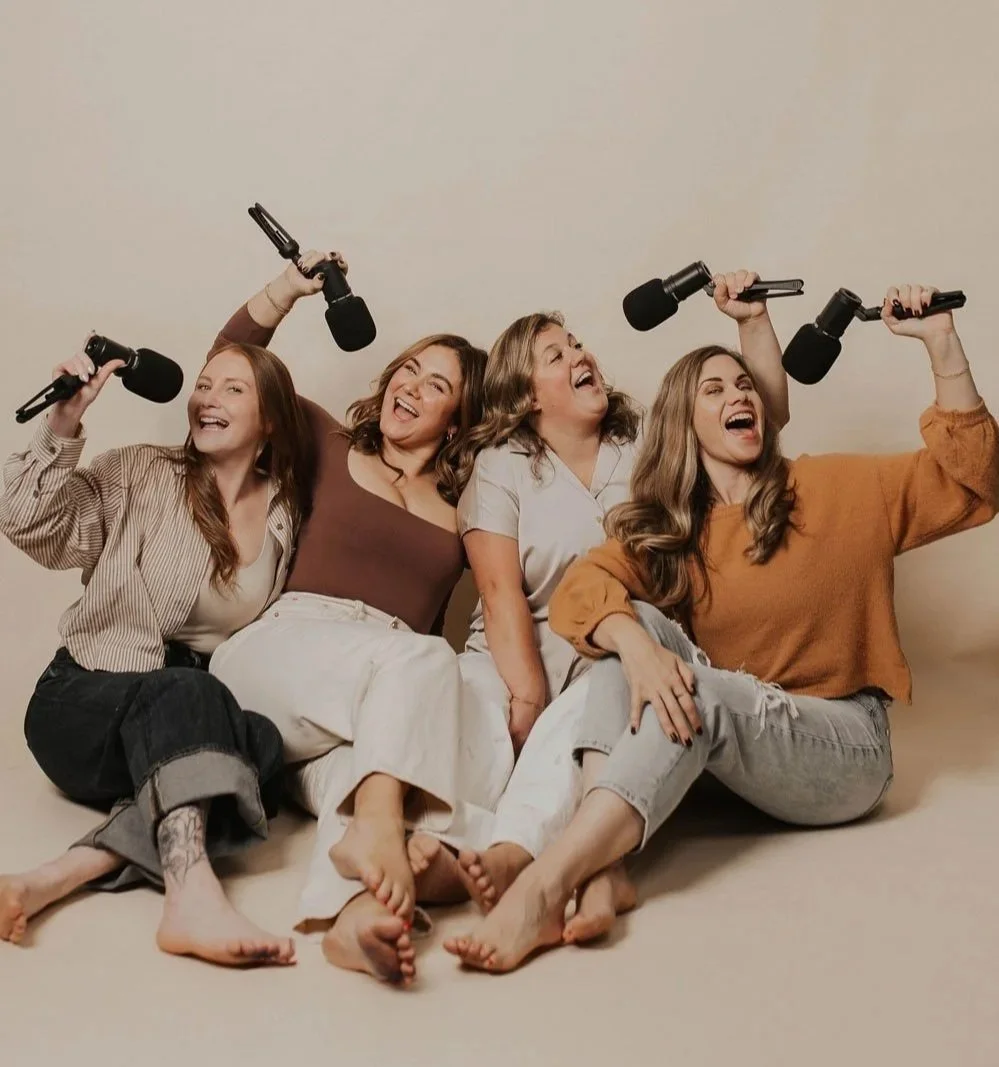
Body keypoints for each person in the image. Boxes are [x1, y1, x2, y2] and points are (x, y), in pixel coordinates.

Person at [444, 283, 999, 972]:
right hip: (736, 745)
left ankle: (545, 883)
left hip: (843, 746)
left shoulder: (839, 488)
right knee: (634, 624)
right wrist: (635, 645)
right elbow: (583, 593)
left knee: (690, 685)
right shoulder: (674, 533)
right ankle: (603, 869)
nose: (738, 394)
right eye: (713, 389)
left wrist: (941, 345)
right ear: (683, 424)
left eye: (743, 385)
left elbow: (972, 483)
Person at [410, 271, 790, 934]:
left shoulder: (643, 446)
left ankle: (510, 859)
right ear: (525, 397)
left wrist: (750, 322)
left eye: (578, 346)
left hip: (612, 649)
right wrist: (524, 692)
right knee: (475, 733)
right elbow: (498, 595)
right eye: (554, 356)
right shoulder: (501, 464)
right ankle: (433, 848)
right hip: (507, 648)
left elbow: (763, 419)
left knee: (575, 734)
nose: (579, 356)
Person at [206, 248, 487, 985]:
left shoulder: (473, 512)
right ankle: (380, 833)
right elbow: (231, 369)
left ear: (458, 418)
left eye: (437, 386)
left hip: (367, 705)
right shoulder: (330, 446)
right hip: (282, 656)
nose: (410, 387)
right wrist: (286, 290)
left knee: (369, 785)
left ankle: (355, 921)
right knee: (430, 666)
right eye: (408, 369)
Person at [0, 339, 315, 967]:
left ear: (272, 418)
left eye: (232, 388)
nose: (206, 397)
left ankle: (58, 875)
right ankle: (191, 895)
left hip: (176, 724)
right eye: (204, 383)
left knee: (263, 744)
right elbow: (22, 518)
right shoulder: (139, 471)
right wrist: (64, 419)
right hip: (82, 701)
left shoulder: (286, 506)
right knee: (195, 693)